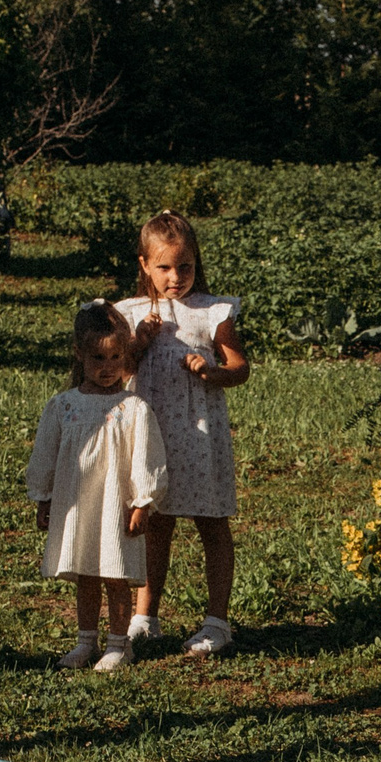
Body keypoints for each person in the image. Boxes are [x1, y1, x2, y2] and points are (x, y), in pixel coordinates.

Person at [115, 211, 249, 658]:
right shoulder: (129, 315)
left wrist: (212, 370)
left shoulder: (213, 311)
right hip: (149, 438)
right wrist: (138, 344)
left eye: (185, 266)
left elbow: (239, 368)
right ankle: (144, 617)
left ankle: (217, 621)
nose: (176, 277)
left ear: (196, 262)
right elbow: (116, 370)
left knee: (212, 523)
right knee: (153, 523)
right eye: (164, 267)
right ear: (144, 265)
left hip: (198, 438)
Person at [28, 302, 166, 672]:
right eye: (97, 358)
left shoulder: (133, 408)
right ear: (79, 354)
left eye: (116, 357)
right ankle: (85, 640)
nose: (107, 368)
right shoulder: (63, 406)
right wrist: (43, 497)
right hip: (78, 503)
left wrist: (142, 502)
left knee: (115, 572)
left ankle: (120, 645)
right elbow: (46, 453)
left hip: (115, 505)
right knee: (85, 572)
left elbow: (146, 457)